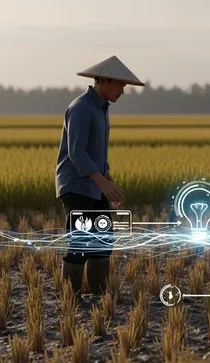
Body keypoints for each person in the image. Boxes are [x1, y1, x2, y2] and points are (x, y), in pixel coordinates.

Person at [55, 56, 145, 297]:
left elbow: (97, 152)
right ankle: (69, 300)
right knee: (79, 245)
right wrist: (102, 182)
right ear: (103, 81)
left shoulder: (102, 109)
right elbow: (77, 152)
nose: (122, 91)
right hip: (77, 187)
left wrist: (108, 180)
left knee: (103, 242)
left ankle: (99, 297)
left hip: (95, 185)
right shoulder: (81, 108)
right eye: (119, 86)